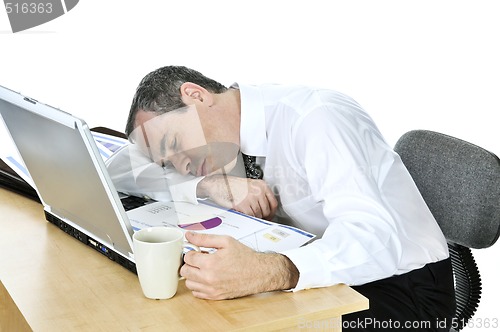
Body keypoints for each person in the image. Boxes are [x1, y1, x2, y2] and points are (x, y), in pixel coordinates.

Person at [124, 66, 455, 331]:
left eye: (171, 144)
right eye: (168, 162)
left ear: (195, 95)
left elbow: (375, 238)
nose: (182, 166)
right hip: (325, 270)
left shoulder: (316, 119)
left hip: (402, 291)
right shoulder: (227, 140)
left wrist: (269, 271)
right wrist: (209, 185)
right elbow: (120, 167)